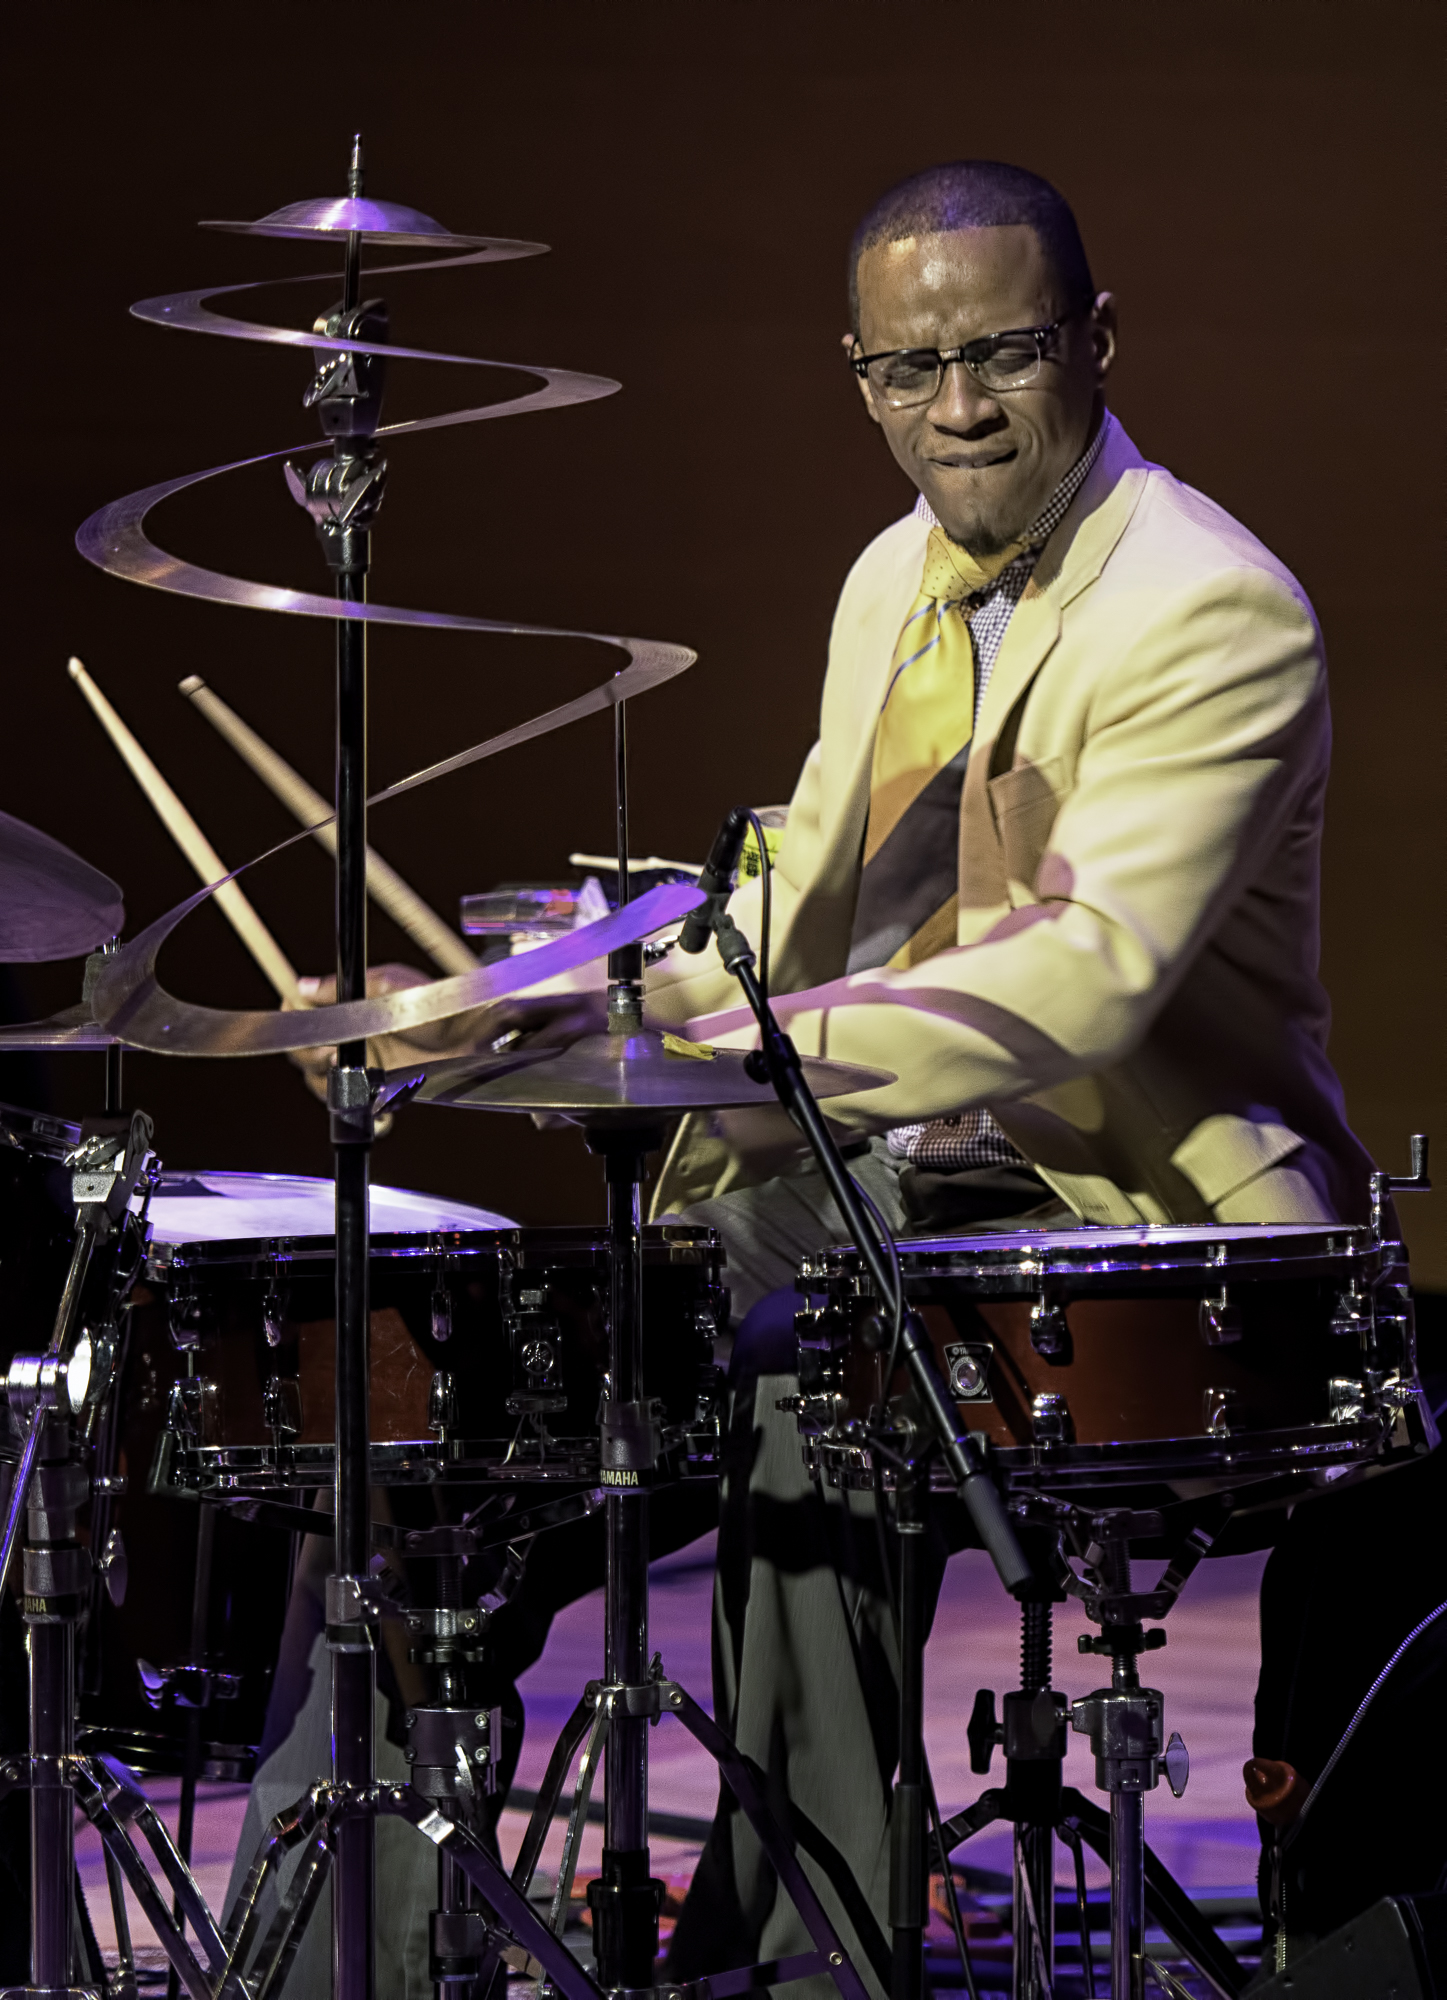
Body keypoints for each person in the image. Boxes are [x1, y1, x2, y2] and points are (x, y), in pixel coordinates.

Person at [278, 158, 1373, 1992]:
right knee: (461, 1376)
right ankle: (358, 1950)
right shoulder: (895, 579)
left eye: (1005, 354)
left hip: (1151, 1214)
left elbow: (1085, 984)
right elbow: (793, 887)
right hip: (904, 1169)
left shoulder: (1213, 609)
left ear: (1097, 342)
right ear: (854, 375)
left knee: (810, 1385)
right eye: (904, 371)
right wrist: (541, 1002)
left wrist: (710, 1054)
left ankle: (808, 1955)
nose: (955, 410)